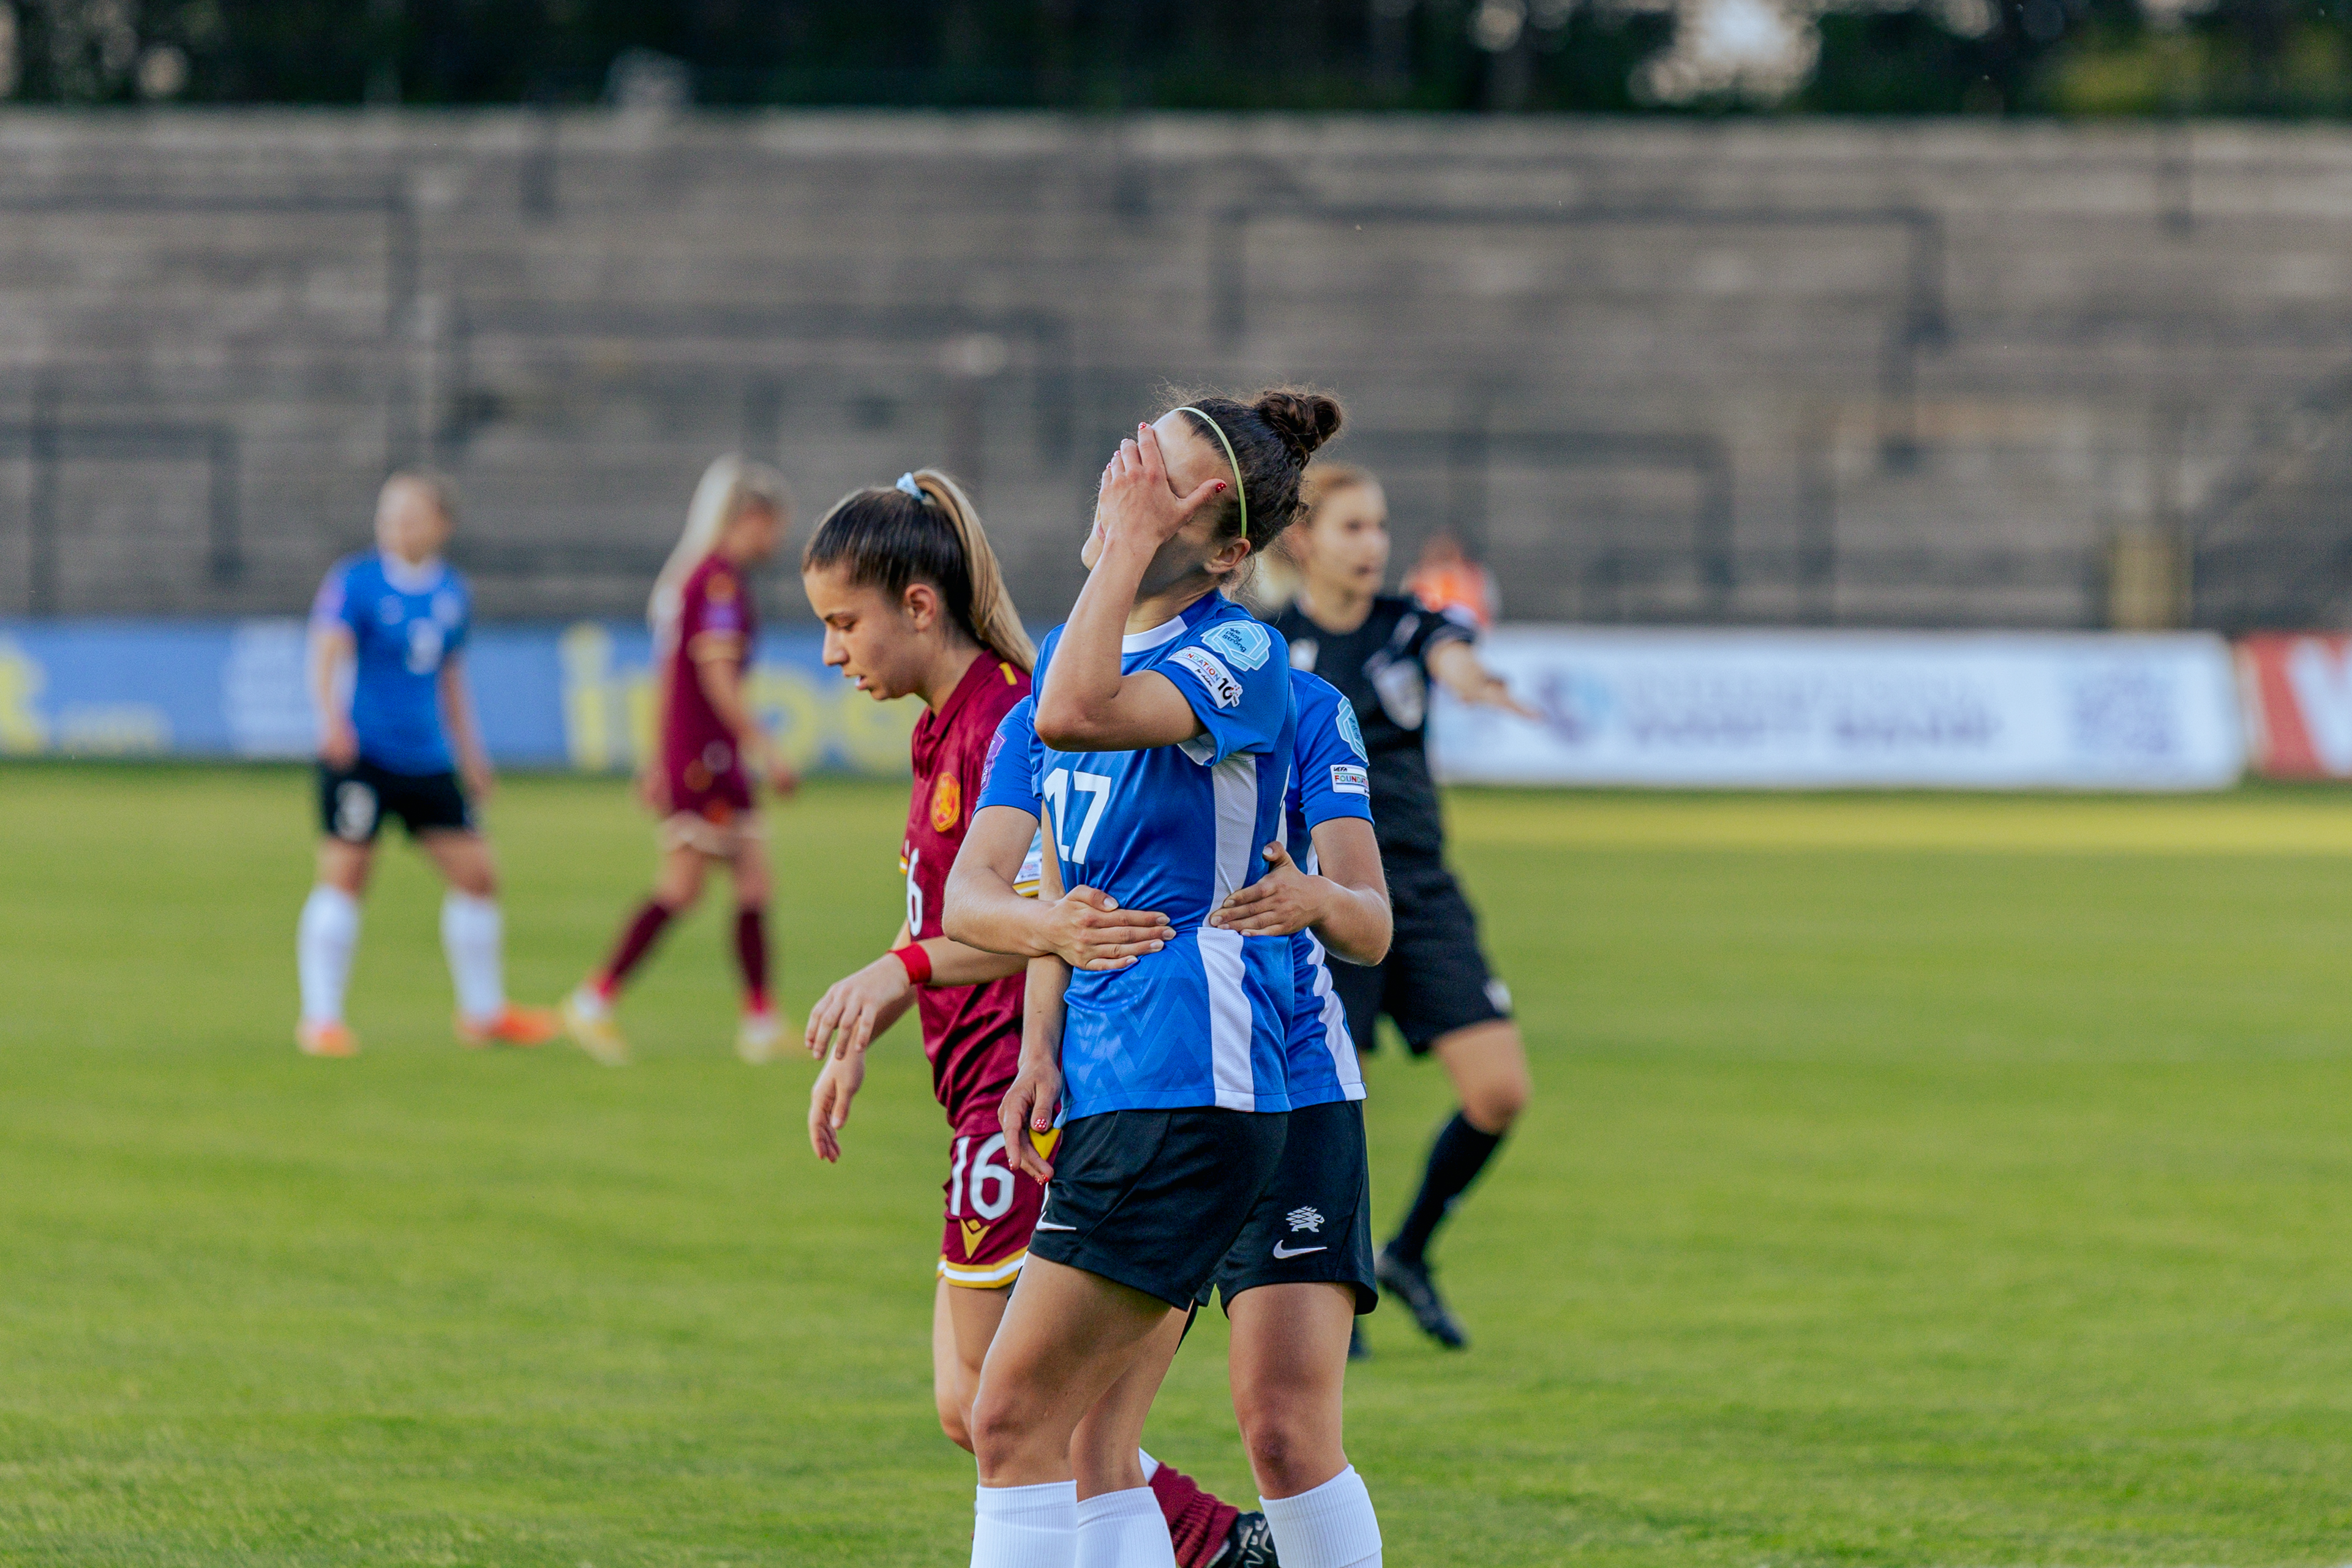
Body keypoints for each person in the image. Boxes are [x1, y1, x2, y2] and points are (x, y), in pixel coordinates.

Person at [794, 470, 1272, 1568]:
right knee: (984, 1411)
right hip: (978, 1084)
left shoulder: (1011, 716)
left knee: (1016, 1418)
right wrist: (894, 998)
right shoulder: (946, 728)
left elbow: (1049, 913)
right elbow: (962, 911)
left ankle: (1208, 1546)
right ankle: (1210, 1545)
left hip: (1036, 1084)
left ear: (920, 604)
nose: (833, 654)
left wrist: (896, 971)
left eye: (842, 623)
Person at [943, 388, 1367, 1568]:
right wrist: (1052, 943)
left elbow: (1084, 712)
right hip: (1120, 1078)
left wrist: (1124, 541)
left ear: (1229, 549)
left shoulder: (1239, 651)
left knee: (1016, 1418)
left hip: (1198, 1076)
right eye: (1131, 463)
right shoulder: (1043, 694)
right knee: (1076, 1433)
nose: (1124, 487)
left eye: (1162, 484)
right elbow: (979, 892)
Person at [1267, 464, 1538, 1351]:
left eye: (1380, 526)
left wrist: (1472, 680)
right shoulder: (1268, 646)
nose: (1373, 544)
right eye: (1353, 527)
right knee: (1341, 1105)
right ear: (1302, 539)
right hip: (1329, 892)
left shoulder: (1409, 623)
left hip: (1419, 890)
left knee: (1499, 1091)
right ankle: (1328, 1291)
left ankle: (1408, 1252)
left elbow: (1450, 652)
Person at [295, 473, 558, 1057]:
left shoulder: (450, 592)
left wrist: (472, 755)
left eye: (413, 514)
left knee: (478, 876)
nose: (398, 525)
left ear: (442, 524)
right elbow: (327, 650)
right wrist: (329, 719)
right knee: (346, 876)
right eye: (391, 513)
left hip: (426, 757)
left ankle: (483, 1013)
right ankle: (321, 1018)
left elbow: (451, 679)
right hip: (362, 754)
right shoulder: (355, 581)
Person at [562, 456, 795, 1067]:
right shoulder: (716, 581)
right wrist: (766, 749)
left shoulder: (699, 578)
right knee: (682, 886)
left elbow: (668, 675)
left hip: (699, 754)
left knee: (752, 880)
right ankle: (594, 1000)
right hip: (707, 755)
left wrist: (653, 757)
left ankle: (760, 1020)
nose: (775, 539)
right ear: (750, 516)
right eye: (773, 524)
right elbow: (716, 681)